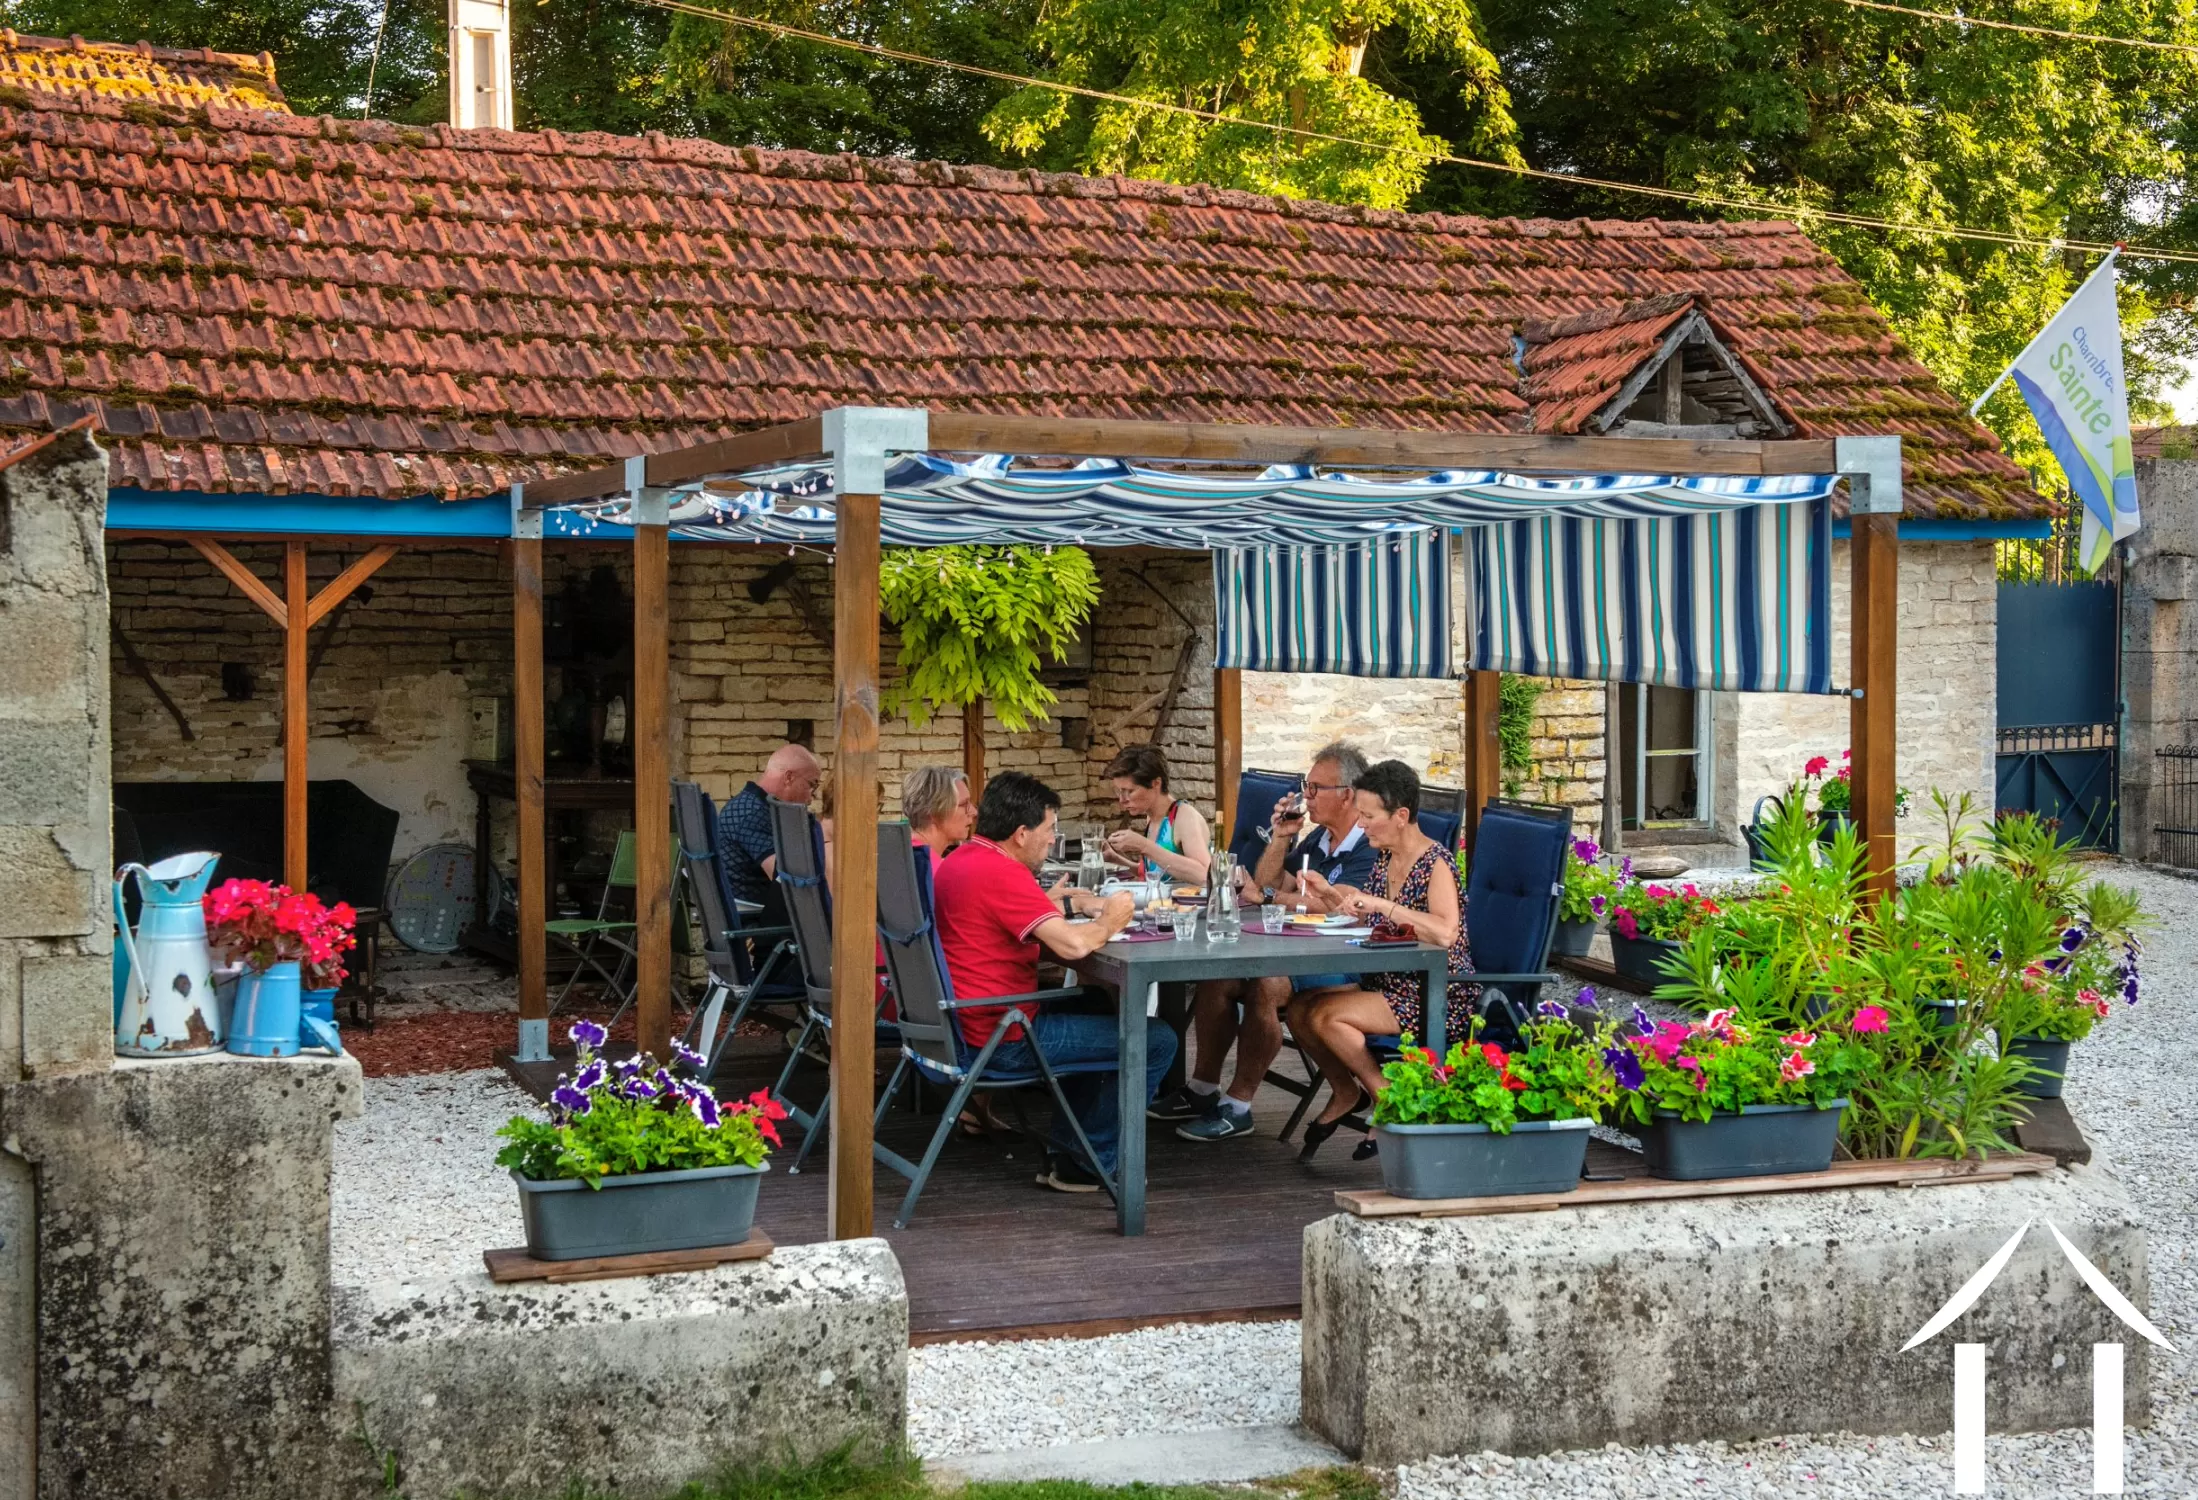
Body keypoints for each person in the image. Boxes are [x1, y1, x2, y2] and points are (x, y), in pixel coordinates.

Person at [933, 770, 1179, 1194]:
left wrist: (1058, 909)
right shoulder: (1002, 873)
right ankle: (1088, 1162)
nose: (1052, 840)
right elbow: (1073, 946)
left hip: (962, 1024)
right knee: (1157, 1039)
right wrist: (1111, 919)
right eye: (1049, 830)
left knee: (1097, 1005)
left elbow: (1002, 924)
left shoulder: (962, 859)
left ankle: (1071, 1150)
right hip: (999, 1038)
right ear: (1021, 834)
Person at [1149, 741, 1377, 1141]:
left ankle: (1238, 1106)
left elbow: (1337, 905)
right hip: (1297, 949)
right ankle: (1202, 1089)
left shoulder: (1367, 845)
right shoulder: (1318, 840)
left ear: (1348, 795)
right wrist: (1281, 838)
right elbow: (1271, 881)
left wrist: (1268, 898)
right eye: (1306, 786)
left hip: (1345, 960)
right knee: (1220, 974)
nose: (1306, 795)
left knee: (1265, 982)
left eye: (1315, 788)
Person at [1288, 759, 1474, 1161]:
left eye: (1369, 816)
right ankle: (1345, 1091)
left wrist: (1383, 906)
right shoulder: (1387, 856)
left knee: (1327, 1016)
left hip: (1434, 992)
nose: (1362, 824)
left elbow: (1445, 932)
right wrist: (1328, 894)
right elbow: (1365, 916)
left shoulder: (1436, 862)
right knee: (1299, 1009)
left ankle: (1386, 1097)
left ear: (1401, 816)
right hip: (1391, 983)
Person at [714, 742, 822, 947]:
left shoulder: (749, 805)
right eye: (812, 785)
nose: (812, 796)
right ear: (789, 777)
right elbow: (789, 881)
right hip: (757, 929)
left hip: (748, 919)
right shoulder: (754, 814)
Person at [1102, 744, 1211, 885]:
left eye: (1130, 791)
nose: (1122, 800)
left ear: (1156, 783)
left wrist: (1144, 846)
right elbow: (1156, 874)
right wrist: (1114, 858)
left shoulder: (1185, 816)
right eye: (1119, 791)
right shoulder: (1152, 818)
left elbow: (1205, 874)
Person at [901, 765, 976, 860]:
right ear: (933, 811)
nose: (974, 812)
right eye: (963, 804)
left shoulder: (905, 852)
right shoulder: (925, 863)